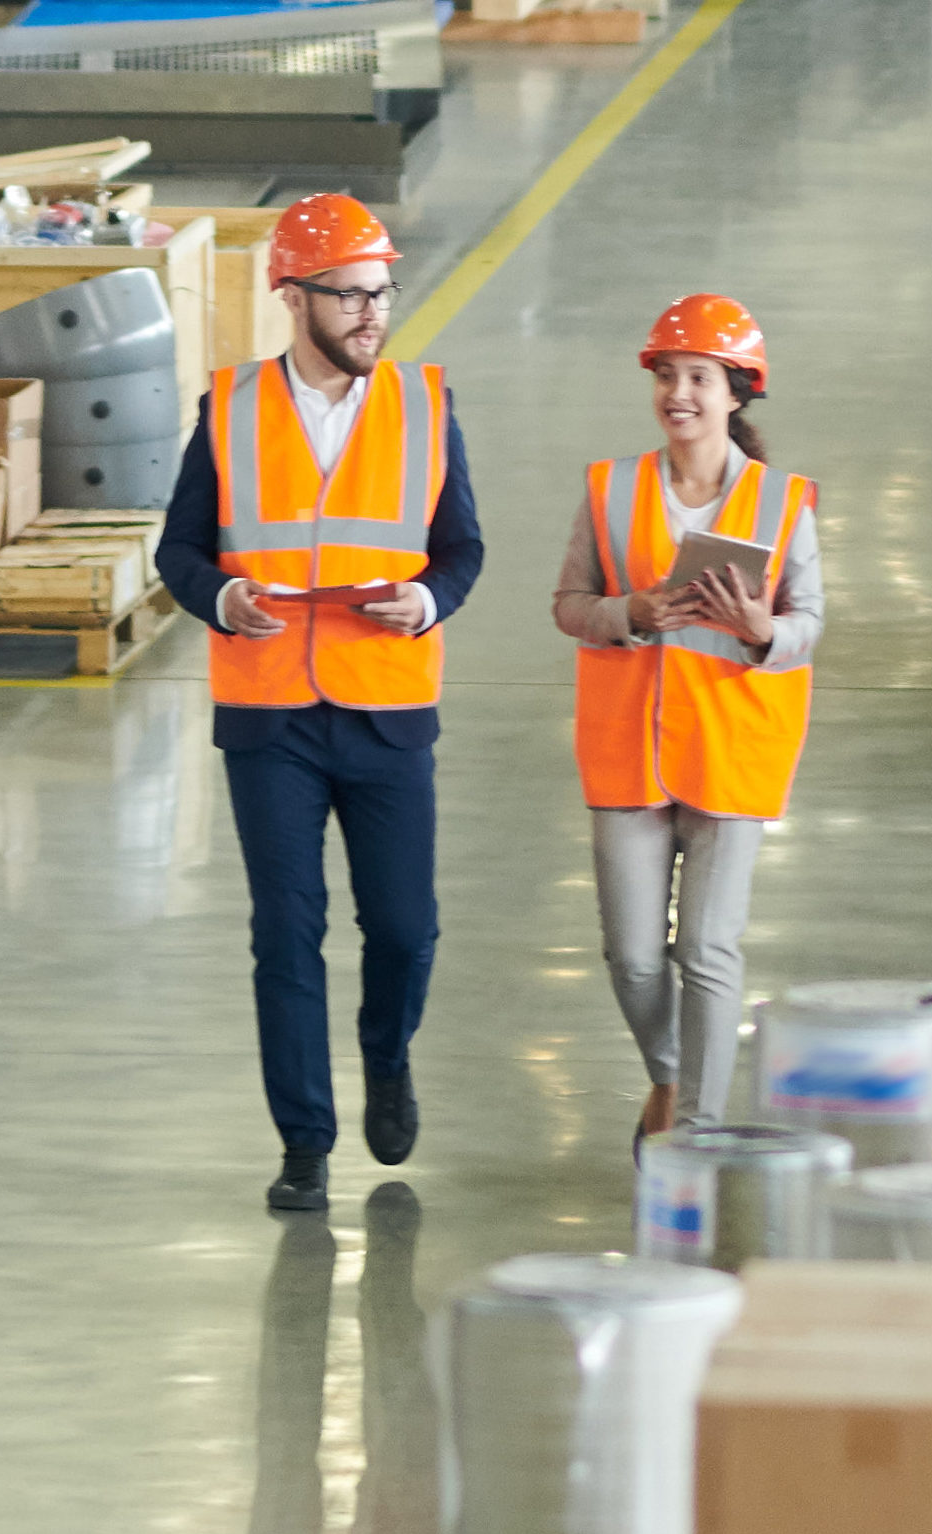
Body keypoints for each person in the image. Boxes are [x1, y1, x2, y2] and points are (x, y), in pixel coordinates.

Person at [156, 193, 486, 1221]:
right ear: (292, 296)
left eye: (381, 292)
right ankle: (304, 1141)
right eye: (348, 295)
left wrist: (426, 598)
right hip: (270, 717)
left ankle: (385, 1056)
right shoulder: (230, 408)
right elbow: (178, 548)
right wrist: (222, 596)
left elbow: (461, 548)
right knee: (284, 931)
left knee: (402, 927)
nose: (370, 314)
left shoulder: (425, 405)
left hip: (386, 706)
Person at [553, 290, 822, 1141]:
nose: (680, 393)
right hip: (627, 748)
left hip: (729, 749)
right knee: (632, 957)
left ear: (736, 391)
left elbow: (808, 625)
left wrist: (759, 630)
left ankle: (699, 1132)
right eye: (668, 375)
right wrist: (628, 611)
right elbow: (568, 603)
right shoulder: (610, 489)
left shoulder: (783, 503)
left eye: (699, 377)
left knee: (705, 950)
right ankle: (668, 1075)